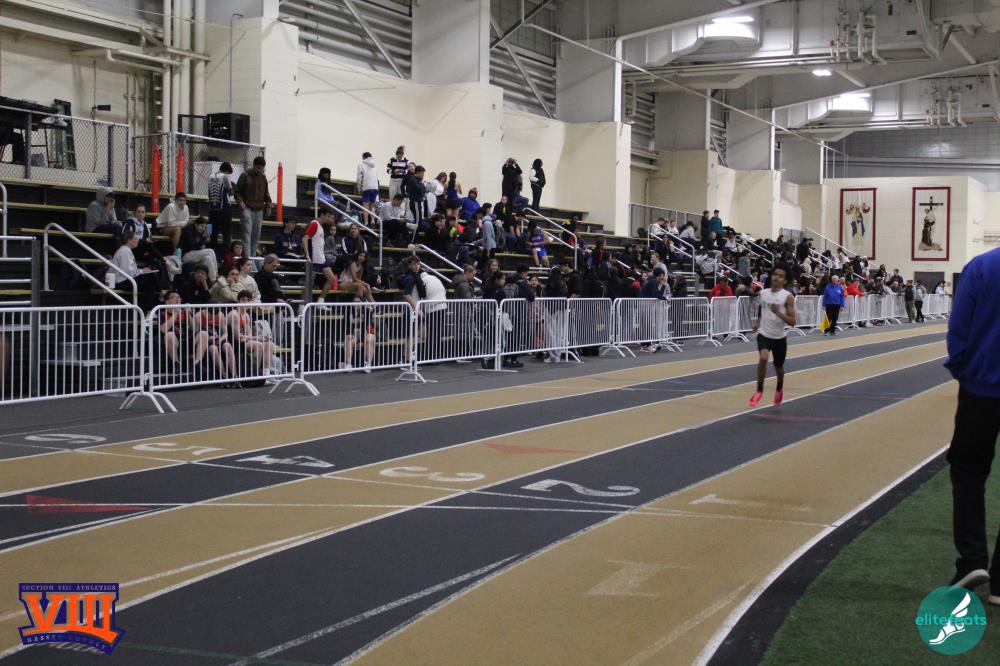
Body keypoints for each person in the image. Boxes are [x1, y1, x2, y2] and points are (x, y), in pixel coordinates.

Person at [943, 246, 1000, 604]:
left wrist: (964, 371)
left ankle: (972, 560)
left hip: (981, 389)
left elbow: (959, 329)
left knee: (967, 471)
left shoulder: (981, 267)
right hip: (980, 383)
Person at [750, 265, 796, 407]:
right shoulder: (763, 293)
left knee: (779, 367)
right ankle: (759, 390)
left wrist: (778, 313)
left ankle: (779, 388)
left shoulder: (787, 297)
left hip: (779, 337)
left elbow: (792, 322)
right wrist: (757, 323)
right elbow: (761, 308)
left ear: (785, 281)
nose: (776, 277)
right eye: (775, 274)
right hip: (764, 334)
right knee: (763, 358)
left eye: (780, 276)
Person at [234, 156, 272, 258]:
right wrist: (240, 202)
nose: (260, 170)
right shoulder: (245, 175)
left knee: (256, 235)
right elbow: (236, 191)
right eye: (258, 168)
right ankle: (247, 258)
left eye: (262, 168)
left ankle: (253, 257)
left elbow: (266, 193)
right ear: (253, 166)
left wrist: (269, 203)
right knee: (247, 233)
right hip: (247, 207)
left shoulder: (263, 177)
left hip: (259, 209)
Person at [111, 230, 159, 310]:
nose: (138, 241)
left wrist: (142, 271)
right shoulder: (124, 251)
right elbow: (128, 272)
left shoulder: (126, 250)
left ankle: (149, 308)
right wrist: (142, 271)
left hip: (125, 279)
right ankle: (150, 309)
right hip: (123, 281)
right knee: (150, 279)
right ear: (129, 240)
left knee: (150, 280)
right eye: (136, 238)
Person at [303, 209, 338, 303]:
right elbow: (304, 238)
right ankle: (301, 307)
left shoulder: (321, 226)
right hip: (314, 258)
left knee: (332, 279)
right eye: (328, 216)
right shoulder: (314, 224)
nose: (329, 218)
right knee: (309, 285)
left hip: (321, 258)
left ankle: (320, 302)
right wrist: (307, 255)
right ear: (322, 215)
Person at [179, 217, 218, 283]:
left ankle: (212, 280)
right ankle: (216, 274)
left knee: (207, 258)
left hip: (195, 255)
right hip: (185, 255)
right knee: (211, 251)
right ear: (196, 224)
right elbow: (193, 245)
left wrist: (205, 239)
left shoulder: (200, 233)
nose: (203, 229)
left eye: (205, 227)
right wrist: (203, 238)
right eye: (202, 226)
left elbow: (200, 246)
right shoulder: (188, 231)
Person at [208, 162, 234, 250]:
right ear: (226, 170)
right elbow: (231, 192)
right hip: (224, 210)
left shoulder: (210, 176)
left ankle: (211, 251)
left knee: (211, 233)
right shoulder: (225, 176)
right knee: (226, 233)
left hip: (211, 210)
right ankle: (227, 253)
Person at [402, 165, 427, 240]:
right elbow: (420, 190)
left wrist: (422, 188)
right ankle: (413, 240)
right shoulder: (413, 180)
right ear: (418, 172)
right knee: (418, 223)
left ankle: (415, 239)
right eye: (422, 173)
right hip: (415, 202)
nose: (423, 175)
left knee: (419, 222)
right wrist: (422, 185)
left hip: (417, 202)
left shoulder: (418, 181)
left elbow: (423, 191)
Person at [356, 151, 379, 225]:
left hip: (366, 187)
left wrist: (359, 188)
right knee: (372, 206)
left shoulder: (361, 164)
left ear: (364, 157)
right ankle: (372, 221)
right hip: (375, 187)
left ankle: (366, 222)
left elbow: (359, 177)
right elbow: (377, 178)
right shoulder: (375, 166)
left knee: (365, 206)